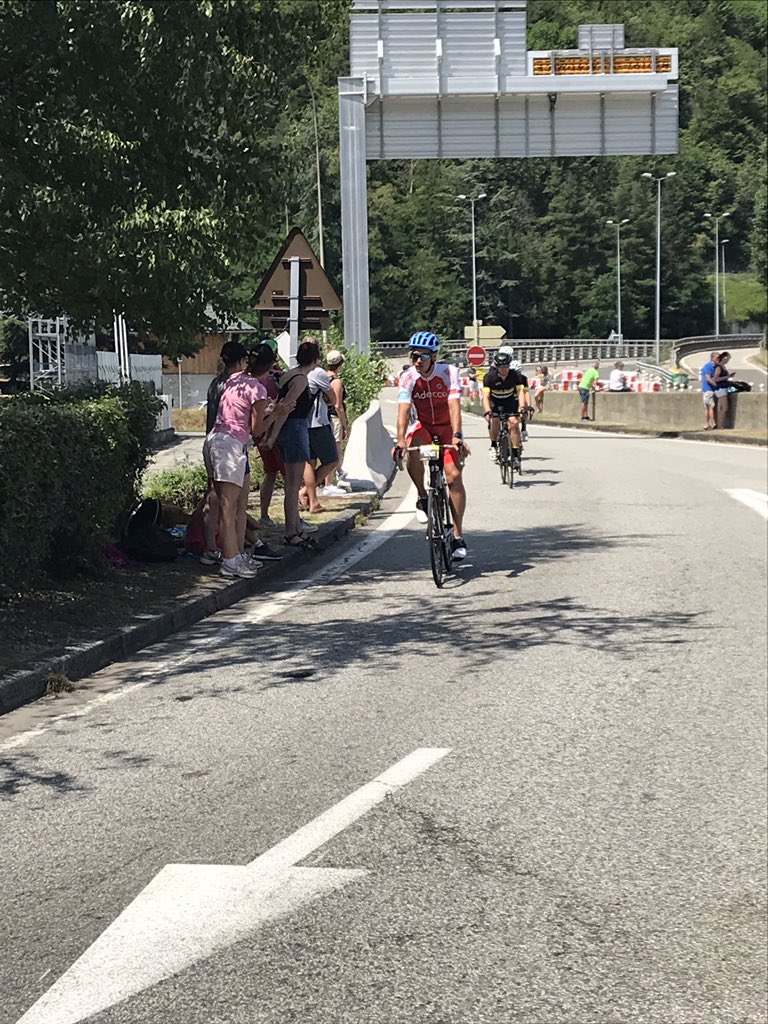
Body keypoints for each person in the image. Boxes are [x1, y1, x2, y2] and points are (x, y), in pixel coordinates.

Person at [203, 353, 294, 577]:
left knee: (239, 505)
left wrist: (270, 411)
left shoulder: (235, 379)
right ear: (269, 368)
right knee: (229, 506)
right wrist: (277, 414)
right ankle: (230, 560)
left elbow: (243, 413)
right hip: (231, 445)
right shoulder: (258, 388)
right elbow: (257, 429)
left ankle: (238, 554)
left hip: (223, 440)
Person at [395, 330, 470, 561]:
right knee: (411, 448)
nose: (418, 361)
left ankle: (457, 535)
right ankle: (421, 495)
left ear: (434, 357)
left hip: (447, 428)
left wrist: (457, 435)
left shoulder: (449, 372)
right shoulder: (408, 377)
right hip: (424, 426)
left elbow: (454, 404)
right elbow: (403, 411)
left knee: (453, 477)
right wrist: (399, 441)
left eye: (423, 356)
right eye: (414, 356)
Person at [263, 339, 323, 547]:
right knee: (292, 484)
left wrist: (272, 435)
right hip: (295, 430)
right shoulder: (301, 381)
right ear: (314, 361)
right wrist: (271, 436)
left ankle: (295, 526)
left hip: (289, 431)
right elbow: (285, 409)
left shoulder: (289, 375)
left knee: (291, 482)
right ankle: (291, 530)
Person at [200, 339, 248, 566]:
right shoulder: (235, 385)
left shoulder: (215, 383)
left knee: (213, 497)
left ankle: (210, 548)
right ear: (240, 362)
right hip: (229, 445)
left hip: (210, 441)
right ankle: (235, 553)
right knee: (234, 504)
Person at [300, 351, 343, 511]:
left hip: (302, 423)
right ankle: (305, 494)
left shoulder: (298, 372)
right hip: (319, 423)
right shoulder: (318, 373)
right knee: (332, 459)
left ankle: (312, 501)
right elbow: (333, 399)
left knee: (309, 463)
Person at [252, 338, 286, 525]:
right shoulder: (276, 377)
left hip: (257, 433)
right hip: (274, 431)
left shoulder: (247, 378)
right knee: (289, 474)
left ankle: (264, 515)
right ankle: (293, 519)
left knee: (270, 472)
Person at [482, 352, 527, 470]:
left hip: (510, 401)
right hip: (495, 402)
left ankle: (515, 454)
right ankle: (493, 445)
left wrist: (522, 407)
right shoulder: (489, 377)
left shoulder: (515, 375)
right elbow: (486, 397)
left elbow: (520, 392)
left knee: (514, 423)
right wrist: (487, 411)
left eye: (506, 366)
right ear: (496, 367)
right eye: (501, 367)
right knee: (495, 422)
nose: (504, 369)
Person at [325, 349, 352, 492]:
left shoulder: (322, 376)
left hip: (323, 417)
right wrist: (345, 425)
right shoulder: (336, 381)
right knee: (335, 449)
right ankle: (329, 484)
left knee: (329, 448)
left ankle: (338, 473)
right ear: (340, 364)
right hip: (334, 417)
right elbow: (338, 405)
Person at [508, 359, 532, 440]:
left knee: (523, 410)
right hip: (509, 397)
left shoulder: (523, 378)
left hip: (519, 397)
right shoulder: (506, 378)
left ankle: (524, 428)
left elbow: (526, 392)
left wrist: (528, 406)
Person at [712, 351, 733, 430]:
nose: (728, 360)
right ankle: (720, 425)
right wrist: (727, 377)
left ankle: (719, 424)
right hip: (720, 388)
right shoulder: (719, 367)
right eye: (728, 359)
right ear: (724, 358)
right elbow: (716, 379)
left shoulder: (723, 366)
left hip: (723, 388)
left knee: (720, 408)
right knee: (725, 407)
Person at [700, 350, 720, 430]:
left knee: (710, 407)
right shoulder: (708, 366)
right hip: (708, 390)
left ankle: (709, 424)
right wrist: (716, 385)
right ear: (712, 358)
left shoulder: (715, 367)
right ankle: (710, 423)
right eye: (717, 358)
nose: (719, 359)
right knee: (710, 407)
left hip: (711, 390)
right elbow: (708, 378)